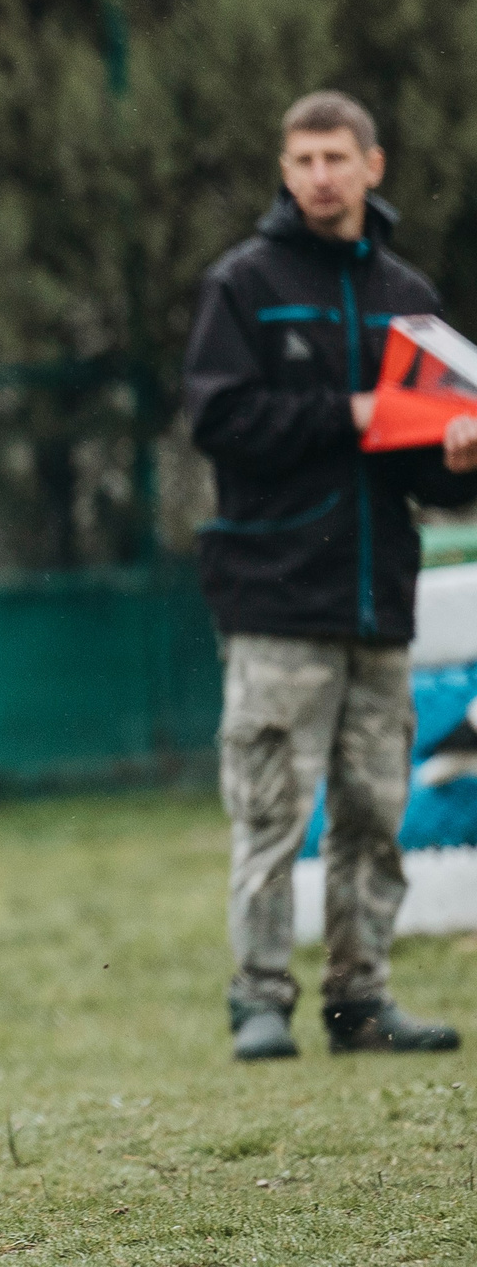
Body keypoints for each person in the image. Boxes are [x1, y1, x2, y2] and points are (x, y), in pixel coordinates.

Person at [183, 89, 477, 1063]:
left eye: (334, 158)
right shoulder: (244, 284)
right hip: (275, 597)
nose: (318, 176)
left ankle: (361, 1002)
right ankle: (257, 1000)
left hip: (374, 596)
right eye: (301, 159)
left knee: (372, 812)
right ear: (284, 167)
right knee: (270, 810)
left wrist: (455, 456)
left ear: (371, 167)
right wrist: (344, 413)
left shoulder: (407, 298)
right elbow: (217, 420)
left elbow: (417, 467)